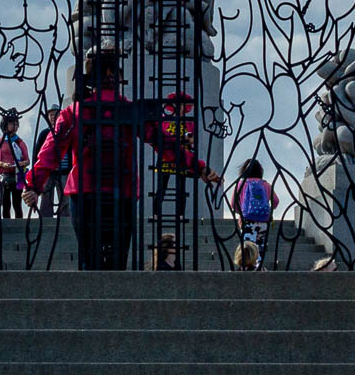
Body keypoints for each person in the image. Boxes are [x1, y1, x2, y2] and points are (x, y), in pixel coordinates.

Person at [22, 46, 219, 269]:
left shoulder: (75, 112)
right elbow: (165, 143)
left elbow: (51, 152)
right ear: (118, 77)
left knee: (90, 261)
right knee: (117, 264)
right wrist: (199, 168)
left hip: (85, 192)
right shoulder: (129, 110)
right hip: (121, 193)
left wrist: (33, 186)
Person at [153, 91, 197, 222]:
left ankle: (180, 214)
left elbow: (192, 139)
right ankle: (156, 213)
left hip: (182, 157)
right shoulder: (164, 120)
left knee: (181, 187)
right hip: (166, 157)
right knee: (161, 187)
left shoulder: (189, 122)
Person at [232, 159, 278, 270]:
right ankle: (259, 268)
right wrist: (269, 210)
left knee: (247, 247)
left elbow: (233, 204)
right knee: (260, 246)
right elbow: (276, 201)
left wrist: (241, 212)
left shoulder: (240, 184)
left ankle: (246, 268)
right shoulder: (266, 184)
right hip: (263, 221)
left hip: (247, 221)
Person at [32, 106, 70, 218]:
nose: (53, 117)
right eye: (51, 114)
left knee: (65, 197)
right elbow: (37, 152)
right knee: (46, 196)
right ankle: (44, 219)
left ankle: (65, 218)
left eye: (55, 114)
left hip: (64, 170)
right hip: (48, 171)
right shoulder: (44, 133)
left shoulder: (67, 132)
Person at [0, 110, 29, 219]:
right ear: (6, 125)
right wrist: (2, 164)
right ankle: (5, 223)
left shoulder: (20, 142)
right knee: (5, 202)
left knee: (18, 203)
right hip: (4, 176)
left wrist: (20, 163)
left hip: (18, 175)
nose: (15, 126)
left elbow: (27, 160)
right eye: (13, 124)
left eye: (17, 124)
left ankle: (19, 224)